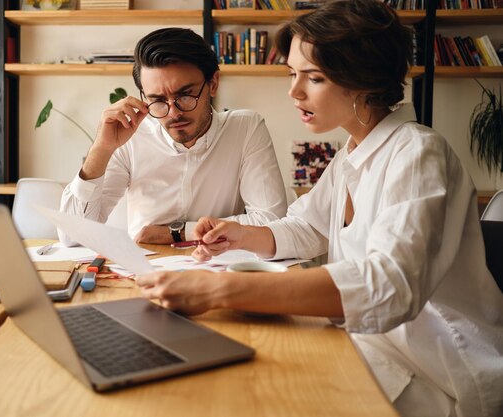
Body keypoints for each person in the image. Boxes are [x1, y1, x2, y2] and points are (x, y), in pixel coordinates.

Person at [135, 2, 503, 416]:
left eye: (314, 78)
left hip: (442, 373)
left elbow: (388, 285)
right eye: (293, 74)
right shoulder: (352, 154)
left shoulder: (417, 153)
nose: (293, 92)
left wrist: (218, 290)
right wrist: (239, 234)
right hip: (373, 346)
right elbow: (306, 228)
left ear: (363, 80)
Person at [59, 28, 287, 245]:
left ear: (213, 83)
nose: (174, 113)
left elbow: (271, 223)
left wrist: (175, 233)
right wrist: (101, 148)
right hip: (144, 275)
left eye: (186, 95)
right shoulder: (130, 137)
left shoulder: (245, 129)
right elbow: (73, 236)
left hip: (219, 273)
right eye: (157, 100)